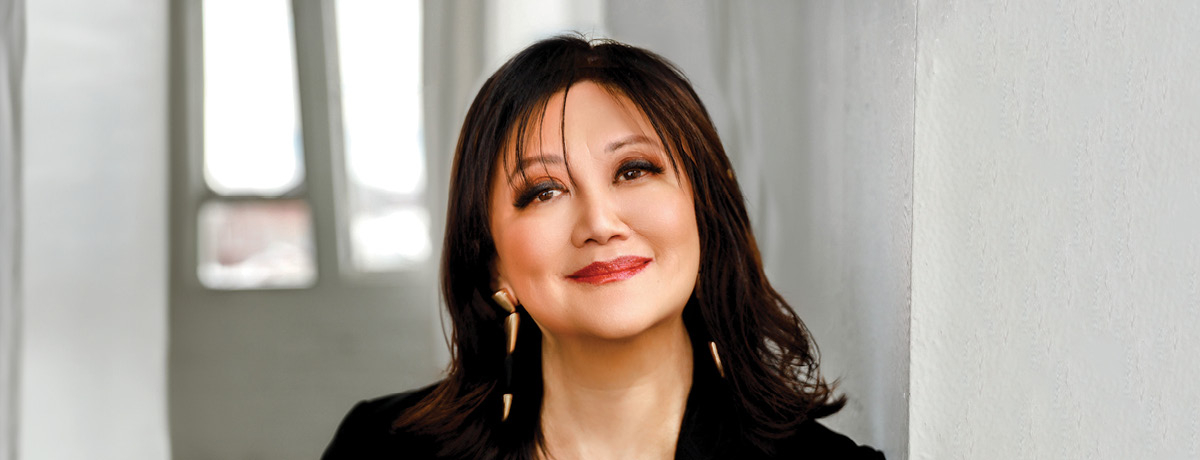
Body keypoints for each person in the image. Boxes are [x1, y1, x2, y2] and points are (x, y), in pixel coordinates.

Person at [322, 35, 884, 460]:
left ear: (705, 213)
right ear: (492, 261)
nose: (599, 222)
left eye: (634, 170)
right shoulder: (376, 448)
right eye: (544, 191)